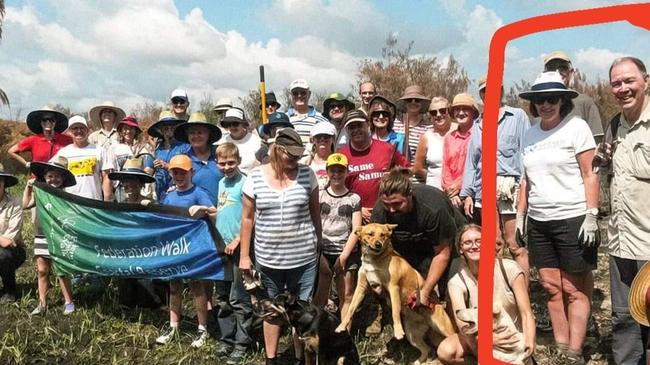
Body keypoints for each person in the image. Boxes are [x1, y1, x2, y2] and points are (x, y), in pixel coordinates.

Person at [517, 71, 599, 364]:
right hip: (540, 220)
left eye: (552, 99)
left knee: (574, 289)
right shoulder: (531, 131)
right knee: (551, 288)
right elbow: (525, 179)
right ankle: (562, 347)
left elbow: (590, 173)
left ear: (563, 100)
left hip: (572, 216)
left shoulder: (576, 128)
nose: (545, 105)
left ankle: (576, 349)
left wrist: (592, 214)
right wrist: (521, 214)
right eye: (540, 100)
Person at [239, 128, 321, 365]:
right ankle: (271, 359)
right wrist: (245, 256)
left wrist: (319, 247)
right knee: (271, 310)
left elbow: (315, 214)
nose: (295, 160)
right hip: (269, 259)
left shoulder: (307, 175)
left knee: (303, 312)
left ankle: (300, 358)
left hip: (304, 258)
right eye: (290, 155)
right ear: (277, 149)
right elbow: (247, 219)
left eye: (298, 155)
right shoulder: (254, 177)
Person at [594, 56, 650, 365]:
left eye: (629, 81)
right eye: (616, 83)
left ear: (646, 80)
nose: (623, 88)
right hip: (621, 243)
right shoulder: (614, 125)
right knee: (624, 320)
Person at [460, 76, 531, 276]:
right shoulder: (477, 125)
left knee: (515, 243)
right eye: (484, 91)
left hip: (511, 187)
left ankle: (522, 295)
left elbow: (526, 151)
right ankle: (499, 293)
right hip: (485, 189)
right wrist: (468, 193)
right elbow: (472, 163)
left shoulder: (517, 117)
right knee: (493, 244)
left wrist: (524, 189)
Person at [437, 224, 535, 365]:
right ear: (460, 249)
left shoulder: (510, 269)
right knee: (446, 351)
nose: (474, 246)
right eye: (467, 242)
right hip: (479, 338)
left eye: (479, 241)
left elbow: (526, 313)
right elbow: (463, 325)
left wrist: (529, 341)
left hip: (512, 336)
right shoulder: (457, 282)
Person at [370, 168, 460, 308]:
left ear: (410, 196)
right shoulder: (380, 211)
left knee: (450, 288)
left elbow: (442, 253)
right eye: (387, 204)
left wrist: (426, 290)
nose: (392, 210)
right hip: (412, 246)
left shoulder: (433, 208)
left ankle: (456, 324)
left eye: (397, 204)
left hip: (446, 243)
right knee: (412, 291)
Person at [156, 154, 217, 348]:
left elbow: (214, 211)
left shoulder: (198, 192)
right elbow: (162, 219)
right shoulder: (169, 195)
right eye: (175, 172)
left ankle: (202, 328)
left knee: (197, 288)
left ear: (192, 172)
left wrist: (203, 209)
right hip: (175, 248)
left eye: (183, 172)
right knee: (174, 287)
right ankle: (173, 326)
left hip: (194, 249)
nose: (179, 176)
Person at [213, 143, 253, 365]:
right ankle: (226, 338)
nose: (226, 167)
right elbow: (224, 210)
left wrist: (238, 239)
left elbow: (250, 215)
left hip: (239, 247)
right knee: (222, 296)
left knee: (239, 297)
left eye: (231, 163)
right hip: (222, 247)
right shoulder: (220, 183)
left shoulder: (245, 183)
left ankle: (242, 342)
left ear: (238, 161)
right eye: (222, 163)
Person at [24, 158, 77, 315]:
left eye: (57, 176)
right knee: (41, 269)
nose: (53, 179)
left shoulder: (65, 196)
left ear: (63, 179)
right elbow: (25, 205)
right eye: (50, 176)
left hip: (58, 235)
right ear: (45, 177)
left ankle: (68, 301)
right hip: (41, 234)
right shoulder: (40, 192)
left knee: (61, 269)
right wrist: (28, 188)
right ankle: (42, 303)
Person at [108, 158, 163, 308]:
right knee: (126, 289)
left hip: (146, 252)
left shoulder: (151, 204)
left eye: (133, 180)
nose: (129, 185)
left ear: (141, 183)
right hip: (126, 252)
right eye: (125, 181)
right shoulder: (121, 206)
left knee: (147, 298)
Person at [338, 110, 409, 224]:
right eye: (351, 127)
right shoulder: (341, 156)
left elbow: (408, 171)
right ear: (347, 130)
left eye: (359, 125)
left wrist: (395, 175)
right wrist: (357, 209)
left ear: (367, 125)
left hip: (387, 214)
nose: (356, 130)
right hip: (355, 218)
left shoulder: (387, 149)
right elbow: (337, 189)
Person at [313, 153, 361, 317]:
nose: (336, 175)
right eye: (333, 171)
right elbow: (313, 223)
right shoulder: (318, 195)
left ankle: (344, 333)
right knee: (320, 295)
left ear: (347, 172)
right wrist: (319, 256)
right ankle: (318, 331)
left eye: (340, 171)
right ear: (327, 172)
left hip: (345, 251)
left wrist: (344, 256)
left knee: (346, 295)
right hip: (323, 251)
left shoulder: (354, 198)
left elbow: (356, 229)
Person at [543, 51, 603, 142]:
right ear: (544, 73)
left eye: (562, 68)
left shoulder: (585, 103)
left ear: (570, 73)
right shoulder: (538, 104)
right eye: (551, 68)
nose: (557, 72)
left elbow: (597, 141)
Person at [172, 112, 223, 205]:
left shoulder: (220, 154)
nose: (196, 136)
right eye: (192, 133)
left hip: (221, 213)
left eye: (200, 132)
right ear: (187, 135)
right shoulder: (182, 159)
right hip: (193, 215)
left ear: (208, 134)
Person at [52, 116, 107, 200]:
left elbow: (106, 177)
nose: (79, 131)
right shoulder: (63, 153)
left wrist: (106, 200)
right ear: (69, 132)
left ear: (87, 130)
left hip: (94, 202)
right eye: (75, 128)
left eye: (82, 128)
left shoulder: (99, 150)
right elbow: (50, 172)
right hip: (71, 203)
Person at [102, 116, 154, 202]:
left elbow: (148, 170)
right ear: (121, 131)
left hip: (140, 189)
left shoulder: (144, 148)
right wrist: (107, 197)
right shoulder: (114, 148)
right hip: (121, 189)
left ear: (136, 131)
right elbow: (108, 174)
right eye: (125, 128)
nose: (128, 131)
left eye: (131, 129)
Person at [442, 93, 478, 209]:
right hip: (451, 197)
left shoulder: (480, 136)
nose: (461, 113)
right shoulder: (449, 138)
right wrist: (451, 191)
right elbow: (445, 166)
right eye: (457, 109)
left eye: (465, 109)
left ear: (473, 112)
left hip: (473, 196)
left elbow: (477, 167)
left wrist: (459, 186)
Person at [147, 111, 189, 202]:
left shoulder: (184, 147)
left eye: (172, 128)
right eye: (166, 129)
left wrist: (166, 166)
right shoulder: (156, 149)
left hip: (179, 193)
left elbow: (188, 169)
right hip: (160, 193)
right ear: (161, 130)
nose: (169, 131)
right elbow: (148, 171)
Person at [414, 96, 454, 189]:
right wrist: (433, 177)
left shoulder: (459, 132)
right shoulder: (426, 137)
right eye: (433, 112)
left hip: (457, 192)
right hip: (434, 192)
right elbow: (418, 167)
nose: (438, 115)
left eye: (442, 110)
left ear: (449, 111)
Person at [0, 165, 26, 302]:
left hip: (12, 251)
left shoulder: (15, 203)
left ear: (4, 183)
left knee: (3, 255)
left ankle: (10, 291)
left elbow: (9, 240)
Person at [216, 107, 261, 175]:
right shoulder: (222, 142)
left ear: (243, 125)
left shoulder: (256, 141)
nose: (232, 127)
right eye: (229, 124)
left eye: (235, 124)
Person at [286, 78, 328, 149]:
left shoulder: (322, 120)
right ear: (290, 95)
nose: (299, 96)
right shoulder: (284, 119)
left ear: (309, 94)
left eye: (303, 93)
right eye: (295, 93)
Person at [395, 85, 431, 164]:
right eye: (409, 100)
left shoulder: (428, 128)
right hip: (396, 172)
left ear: (421, 103)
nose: (413, 102)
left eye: (417, 100)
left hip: (417, 174)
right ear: (405, 103)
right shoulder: (394, 124)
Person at [368, 95, 406, 159]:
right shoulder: (366, 140)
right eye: (376, 114)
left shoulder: (400, 140)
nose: (381, 117)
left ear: (390, 117)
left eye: (384, 114)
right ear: (371, 117)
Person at [303, 121, 337, 190]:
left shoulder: (339, 161)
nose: (322, 139)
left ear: (333, 139)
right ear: (313, 140)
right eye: (318, 137)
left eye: (326, 136)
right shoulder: (304, 162)